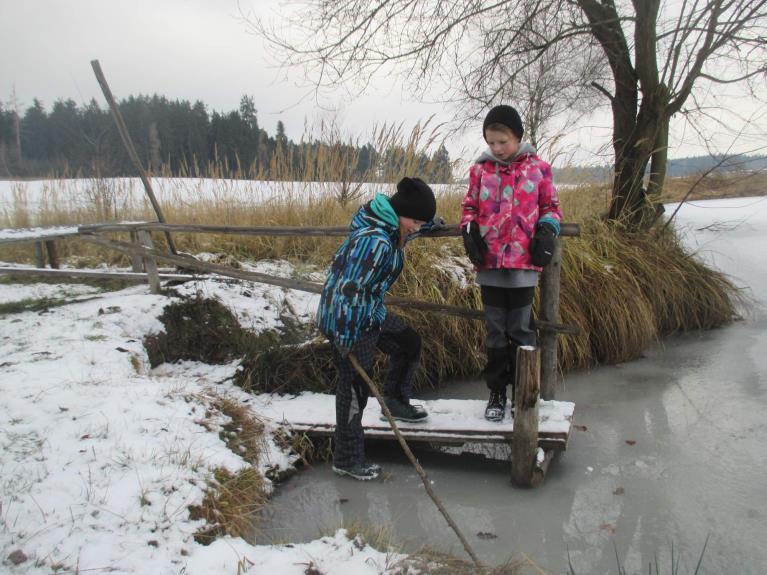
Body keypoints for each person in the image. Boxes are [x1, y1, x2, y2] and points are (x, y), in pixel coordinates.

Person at [316, 177, 439, 480]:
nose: (416, 227)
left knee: (407, 342)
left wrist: (426, 224)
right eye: (415, 220)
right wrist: (346, 337)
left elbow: (403, 233)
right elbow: (348, 289)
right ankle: (346, 459)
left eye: (421, 222)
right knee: (355, 388)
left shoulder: (389, 227)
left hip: (369, 312)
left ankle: (395, 402)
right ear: (399, 213)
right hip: (348, 320)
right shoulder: (375, 241)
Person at [460, 104, 562, 422]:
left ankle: (522, 393)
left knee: (520, 330)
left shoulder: (539, 169)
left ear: (517, 137)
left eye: (502, 141)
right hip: (489, 264)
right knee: (494, 331)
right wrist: (469, 230)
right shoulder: (479, 171)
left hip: (522, 264)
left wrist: (547, 229)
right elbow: (469, 207)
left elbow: (551, 206)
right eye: (491, 142)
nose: (497, 148)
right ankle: (496, 393)